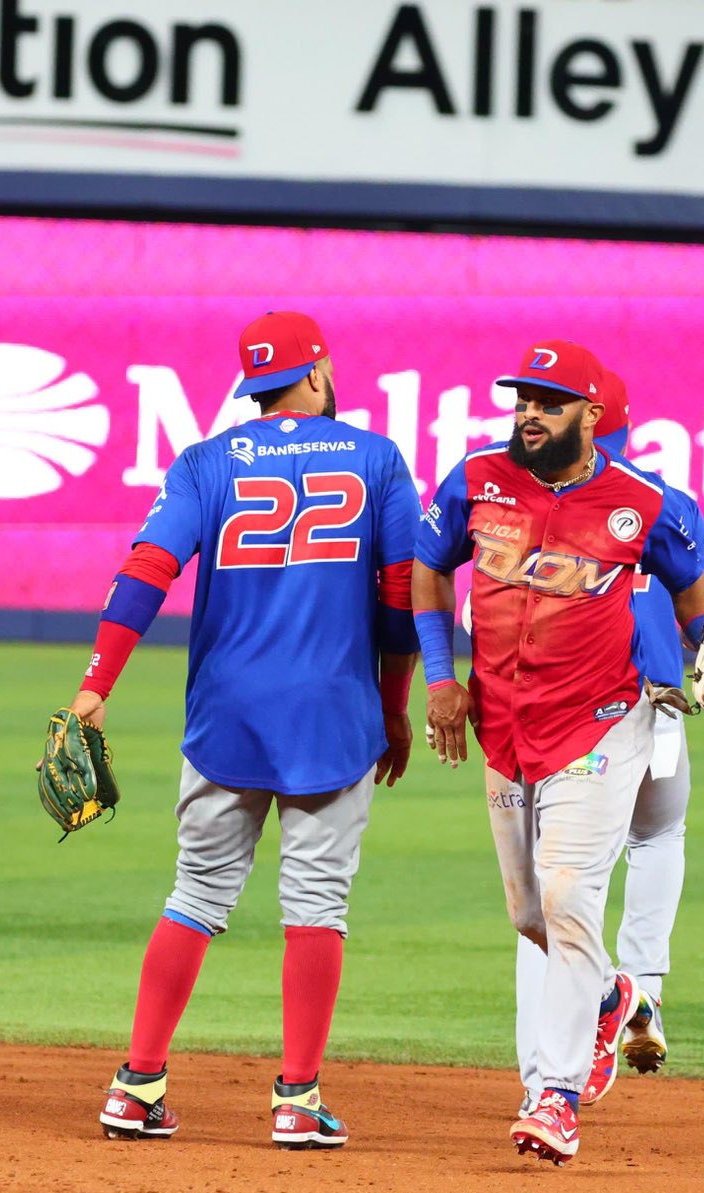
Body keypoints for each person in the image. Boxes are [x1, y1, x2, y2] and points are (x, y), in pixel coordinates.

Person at [78, 311, 421, 1147]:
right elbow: (404, 594)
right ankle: (297, 1100)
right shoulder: (375, 458)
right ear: (319, 372)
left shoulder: (204, 462)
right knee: (316, 906)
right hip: (332, 713)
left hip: (225, 713)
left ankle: (137, 1085)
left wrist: (97, 686)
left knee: (194, 895)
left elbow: (146, 570)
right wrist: (394, 701)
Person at [414, 339, 704, 1166]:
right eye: (523, 398)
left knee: (567, 895)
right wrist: (442, 680)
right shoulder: (475, 481)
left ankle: (554, 1096)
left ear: (592, 417)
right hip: (504, 726)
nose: (529, 412)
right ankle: (609, 993)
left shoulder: (645, 503)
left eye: (548, 401)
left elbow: (701, 608)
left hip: (603, 723)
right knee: (531, 916)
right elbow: (426, 572)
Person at [511, 369, 704, 1115]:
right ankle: (645, 991)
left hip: (573, 715)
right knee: (658, 838)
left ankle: (556, 1056)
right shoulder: (667, 500)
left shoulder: (532, 498)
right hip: (659, 703)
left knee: (550, 884)